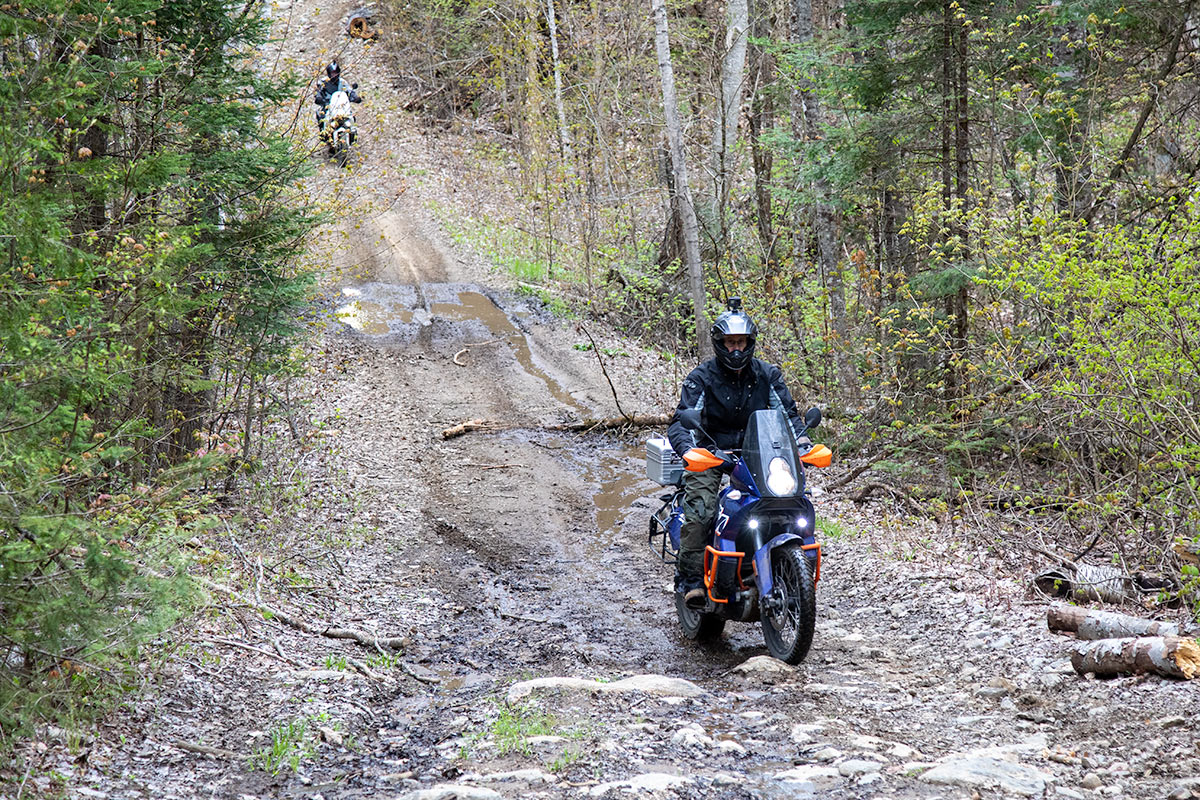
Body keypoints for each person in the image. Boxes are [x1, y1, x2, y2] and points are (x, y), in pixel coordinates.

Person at [666, 297, 807, 609]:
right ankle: (689, 579)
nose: (736, 350)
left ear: (750, 342)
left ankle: (786, 569)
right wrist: (691, 450)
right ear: (719, 343)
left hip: (760, 454)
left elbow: (789, 416)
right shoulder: (701, 378)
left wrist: (803, 442)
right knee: (703, 507)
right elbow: (681, 420)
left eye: (741, 342)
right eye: (730, 343)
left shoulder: (767, 375)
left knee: (791, 501)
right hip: (712, 453)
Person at [315, 61, 362, 135]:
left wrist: (355, 97)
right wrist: (319, 97)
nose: (334, 75)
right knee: (321, 116)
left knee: (352, 117)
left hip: (342, 107)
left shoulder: (343, 82)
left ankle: (353, 134)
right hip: (328, 107)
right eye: (332, 73)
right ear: (329, 73)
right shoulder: (323, 82)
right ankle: (323, 135)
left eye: (336, 73)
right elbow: (318, 91)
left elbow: (349, 91)